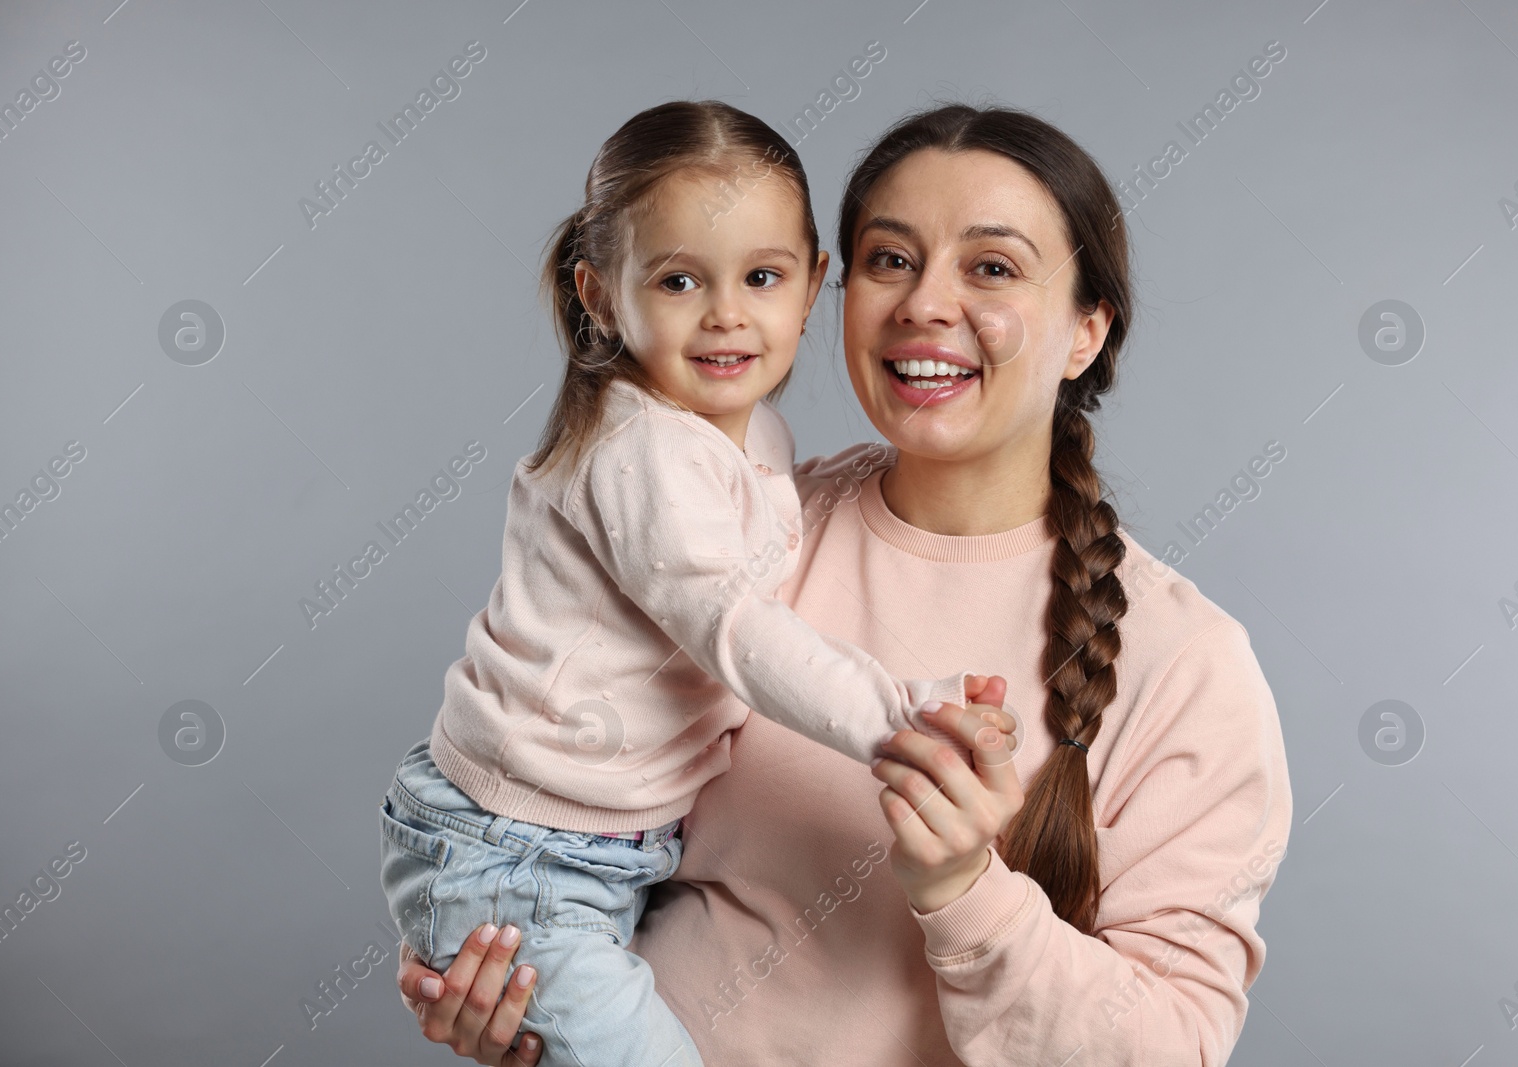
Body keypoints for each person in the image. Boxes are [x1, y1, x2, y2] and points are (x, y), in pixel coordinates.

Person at [394, 103, 1294, 1066]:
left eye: (990, 266)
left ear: (1086, 330)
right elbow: (569, 798)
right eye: (891, 260)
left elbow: (1170, 1050)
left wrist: (963, 888)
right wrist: (525, 1000)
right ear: (841, 289)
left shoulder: (1187, 663)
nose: (924, 304)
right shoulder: (753, 523)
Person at [377, 100, 1012, 1067]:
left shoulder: (759, 440)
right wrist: (901, 713)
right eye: (678, 280)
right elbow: (737, 633)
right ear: (600, 294)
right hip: (522, 851)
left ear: (812, 291)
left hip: (599, 849)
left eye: (762, 277)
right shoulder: (644, 455)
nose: (726, 314)